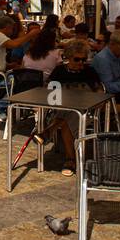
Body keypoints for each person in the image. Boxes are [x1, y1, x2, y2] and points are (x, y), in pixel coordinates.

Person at [43, 39, 102, 175]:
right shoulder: (59, 71)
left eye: (83, 59)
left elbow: (99, 91)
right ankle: (70, 159)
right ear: (68, 58)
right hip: (61, 109)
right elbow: (48, 89)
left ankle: (69, 158)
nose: (81, 63)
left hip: (84, 112)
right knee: (67, 114)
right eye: (77, 59)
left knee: (68, 119)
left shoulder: (89, 71)